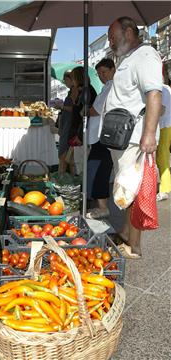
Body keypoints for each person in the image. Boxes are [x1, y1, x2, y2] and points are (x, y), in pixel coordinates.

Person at [104, 16, 162, 259]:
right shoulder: (128, 57)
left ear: (128, 32)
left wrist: (149, 136)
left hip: (137, 139)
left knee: (135, 190)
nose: (110, 42)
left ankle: (134, 246)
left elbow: (154, 95)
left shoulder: (146, 55)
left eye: (112, 36)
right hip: (124, 138)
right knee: (126, 189)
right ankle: (127, 232)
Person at [86, 58, 115, 219]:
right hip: (99, 136)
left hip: (104, 136)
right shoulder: (107, 87)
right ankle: (101, 205)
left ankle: (103, 207)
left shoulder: (112, 87)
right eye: (99, 74)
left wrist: (86, 110)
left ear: (113, 70)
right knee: (96, 170)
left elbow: (96, 110)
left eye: (104, 72)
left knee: (99, 171)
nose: (102, 76)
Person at [55, 70, 78, 176]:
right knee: (68, 157)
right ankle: (68, 179)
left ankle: (62, 178)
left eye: (65, 80)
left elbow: (75, 109)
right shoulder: (71, 91)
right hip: (68, 126)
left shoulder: (74, 90)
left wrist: (61, 106)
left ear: (71, 79)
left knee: (64, 156)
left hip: (69, 127)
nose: (65, 82)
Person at [156, 82, 171, 201]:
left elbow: (162, 110)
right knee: (162, 157)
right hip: (165, 125)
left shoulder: (162, 89)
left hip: (164, 126)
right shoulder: (165, 88)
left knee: (162, 157)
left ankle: (165, 189)